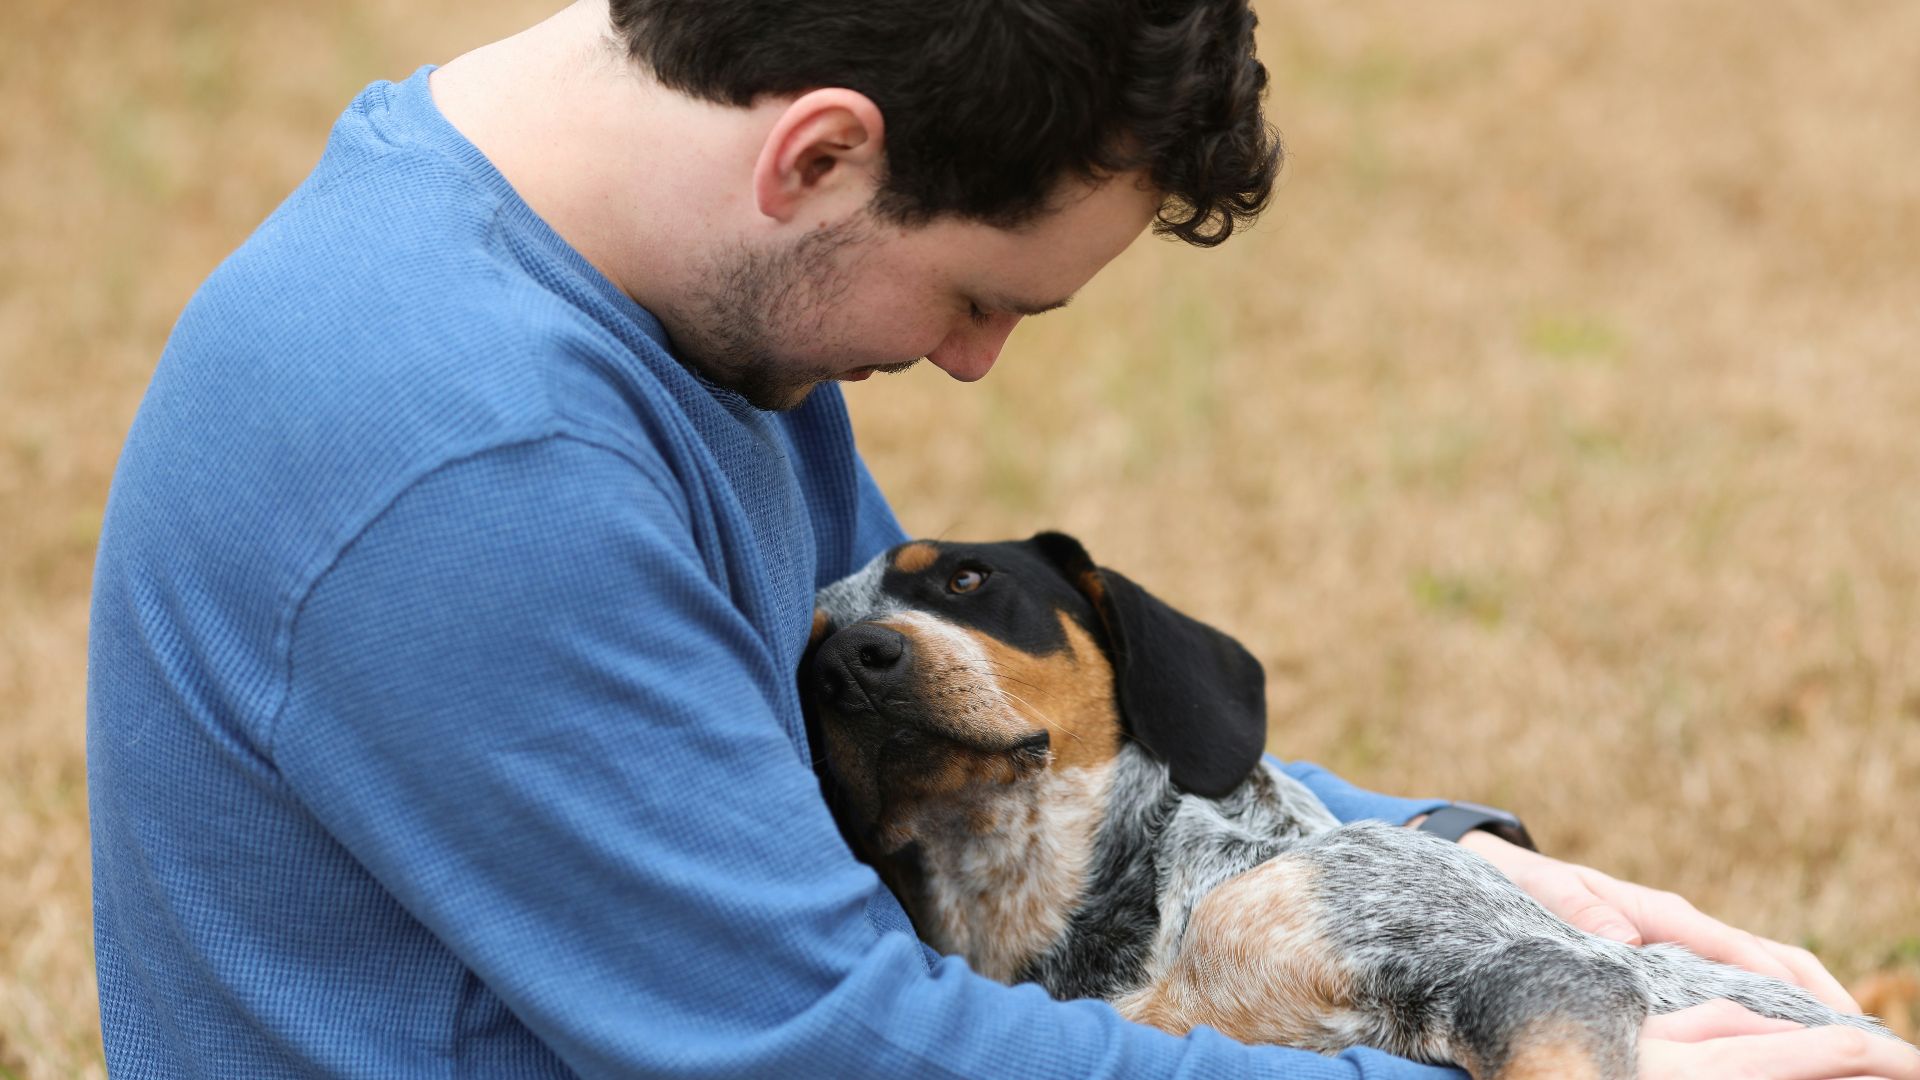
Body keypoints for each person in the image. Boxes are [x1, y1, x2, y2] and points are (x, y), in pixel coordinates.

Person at [86, 2, 1917, 1077]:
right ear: (815, 156)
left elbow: (1005, 766)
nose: (967, 365)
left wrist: (1460, 873)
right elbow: (835, 1049)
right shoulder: (472, 457)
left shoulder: (656, 300)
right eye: (980, 294)